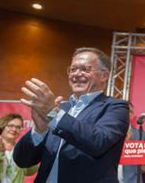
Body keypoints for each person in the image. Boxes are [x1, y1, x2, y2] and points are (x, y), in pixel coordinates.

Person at [14, 47, 130, 183]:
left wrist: (54, 114)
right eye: (73, 69)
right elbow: (22, 161)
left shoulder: (115, 107)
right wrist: (39, 131)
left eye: (85, 69)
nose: (76, 74)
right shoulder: (61, 108)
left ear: (104, 76)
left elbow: (98, 141)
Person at [0, 113, 38, 183]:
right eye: (11, 126)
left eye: (18, 127)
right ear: (2, 126)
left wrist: (30, 155)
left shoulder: (21, 149)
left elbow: (30, 171)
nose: (14, 129)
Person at [118, 103, 145, 183]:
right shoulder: (107, 132)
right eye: (123, 110)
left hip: (133, 180)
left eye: (129, 111)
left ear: (132, 115)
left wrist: (130, 146)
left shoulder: (141, 135)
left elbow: (144, 164)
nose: (126, 113)